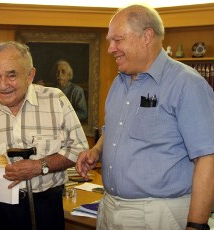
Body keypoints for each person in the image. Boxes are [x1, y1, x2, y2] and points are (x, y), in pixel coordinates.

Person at [76, 4, 214, 230]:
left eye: (117, 40)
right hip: (109, 207)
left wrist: (196, 225)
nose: (110, 48)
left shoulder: (186, 84)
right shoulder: (119, 82)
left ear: (147, 36)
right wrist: (97, 151)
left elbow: (208, 157)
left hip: (158, 214)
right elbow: (114, 128)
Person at [0, 41, 88, 230]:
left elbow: (79, 149)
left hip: (44, 207)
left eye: (11, 76)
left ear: (30, 75)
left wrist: (40, 166)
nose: (2, 85)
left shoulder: (56, 101)